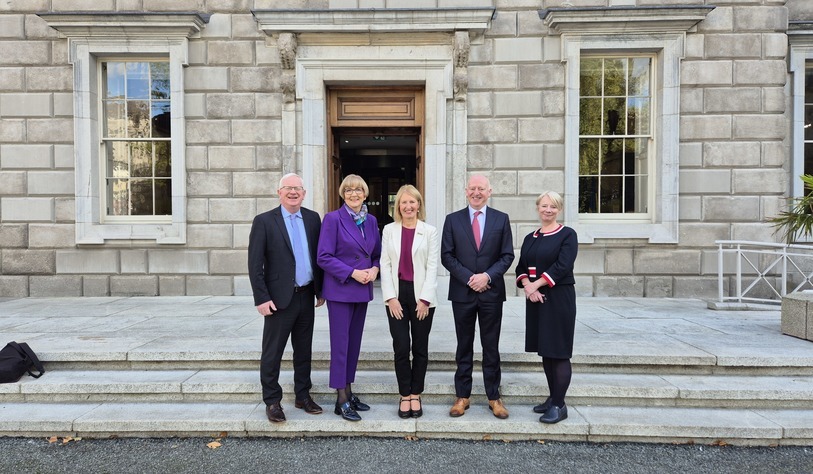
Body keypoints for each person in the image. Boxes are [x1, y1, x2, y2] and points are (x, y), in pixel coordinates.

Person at [248, 173, 325, 423]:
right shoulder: (264, 221)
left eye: (298, 188)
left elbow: (318, 257)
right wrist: (261, 298)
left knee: (303, 351)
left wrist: (321, 289)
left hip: (306, 295)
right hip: (279, 299)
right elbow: (254, 264)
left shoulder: (313, 219)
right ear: (279, 192)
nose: (293, 192)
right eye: (288, 188)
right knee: (273, 352)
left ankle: (303, 395)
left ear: (304, 193)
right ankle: (272, 401)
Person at [441, 175, 515, 419]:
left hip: (491, 293)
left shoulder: (501, 219)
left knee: (490, 347)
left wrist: (487, 277)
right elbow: (447, 256)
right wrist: (470, 278)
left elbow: (506, 255)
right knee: (464, 346)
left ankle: (494, 397)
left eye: (481, 188)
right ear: (465, 191)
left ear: (489, 191)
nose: (476, 192)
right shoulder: (452, 220)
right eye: (472, 188)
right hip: (463, 293)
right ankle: (463, 396)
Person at [317, 174, 381, 421]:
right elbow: (323, 257)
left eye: (358, 190)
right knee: (341, 346)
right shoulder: (333, 219)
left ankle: (349, 390)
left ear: (366, 194)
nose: (354, 193)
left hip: (362, 290)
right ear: (343, 194)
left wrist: (374, 270)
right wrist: (352, 272)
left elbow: (376, 253)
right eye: (349, 190)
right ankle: (340, 398)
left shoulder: (371, 220)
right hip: (342, 289)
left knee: (353, 344)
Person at [515, 191, 578, 424]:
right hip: (536, 300)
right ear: (538, 208)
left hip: (558, 298)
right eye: (544, 206)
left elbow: (562, 266)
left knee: (559, 351)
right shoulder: (531, 237)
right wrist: (527, 286)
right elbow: (521, 266)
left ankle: (560, 405)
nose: (548, 210)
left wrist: (535, 285)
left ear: (559, 209)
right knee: (546, 350)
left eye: (553, 206)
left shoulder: (567, 235)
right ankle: (553, 398)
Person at [380, 185, 440, 418]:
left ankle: (416, 393)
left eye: (412, 202)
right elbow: (384, 264)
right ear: (398, 206)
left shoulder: (430, 231)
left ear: (419, 205)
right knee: (402, 346)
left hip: (421, 296)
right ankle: (404, 394)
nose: (408, 206)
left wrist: (425, 299)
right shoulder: (388, 230)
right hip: (397, 294)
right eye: (403, 203)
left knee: (420, 348)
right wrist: (390, 298)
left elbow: (433, 266)